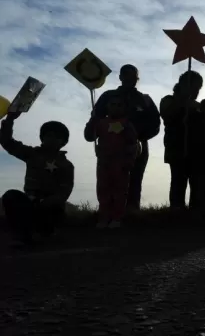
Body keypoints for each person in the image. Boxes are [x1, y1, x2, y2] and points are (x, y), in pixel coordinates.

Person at [93, 64, 160, 211]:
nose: (131, 79)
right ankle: (107, 213)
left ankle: (131, 212)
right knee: (108, 180)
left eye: (134, 76)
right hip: (109, 146)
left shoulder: (145, 99)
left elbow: (155, 123)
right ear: (120, 77)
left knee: (135, 180)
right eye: (127, 75)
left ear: (137, 79)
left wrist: (138, 137)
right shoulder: (108, 96)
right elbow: (96, 118)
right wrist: (94, 133)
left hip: (137, 146)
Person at [0, 112, 74, 245]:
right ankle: (23, 235)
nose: (52, 139)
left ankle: (46, 232)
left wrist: (44, 203)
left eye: (57, 137)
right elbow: (7, 142)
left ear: (64, 142)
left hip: (51, 208)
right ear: (42, 138)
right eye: (49, 135)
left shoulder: (67, 166)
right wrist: (10, 119)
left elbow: (64, 193)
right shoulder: (32, 154)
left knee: (53, 213)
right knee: (11, 196)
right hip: (29, 202)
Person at [84, 97, 139, 228]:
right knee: (103, 191)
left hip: (121, 163)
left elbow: (133, 144)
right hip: (103, 163)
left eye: (119, 104)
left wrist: (130, 161)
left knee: (120, 191)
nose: (116, 107)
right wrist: (92, 121)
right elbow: (89, 137)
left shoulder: (127, 124)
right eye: (113, 104)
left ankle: (117, 218)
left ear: (124, 108)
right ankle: (103, 218)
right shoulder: (100, 123)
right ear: (107, 107)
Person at [160, 70, 204, 210]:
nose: (196, 91)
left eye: (198, 88)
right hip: (176, 149)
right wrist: (184, 104)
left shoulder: (198, 106)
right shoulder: (169, 100)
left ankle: (195, 215)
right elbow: (167, 116)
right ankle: (176, 213)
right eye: (194, 87)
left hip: (196, 150)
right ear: (183, 85)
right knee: (178, 183)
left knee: (197, 185)